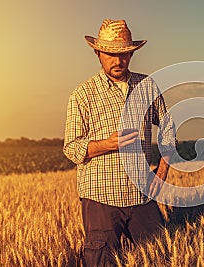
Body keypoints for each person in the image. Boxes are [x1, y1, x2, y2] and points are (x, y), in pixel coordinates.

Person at [63, 18, 176, 266]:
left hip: (142, 195)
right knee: (101, 261)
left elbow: (168, 129)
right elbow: (71, 148)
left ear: (131, 53)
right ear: (97, 53)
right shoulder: (83, 94)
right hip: (100, 198)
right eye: (110, 54)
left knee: (160, 257)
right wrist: (108, 144)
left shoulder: (147, 86)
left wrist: (162, 173)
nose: (118, 61)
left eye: (124, 54)